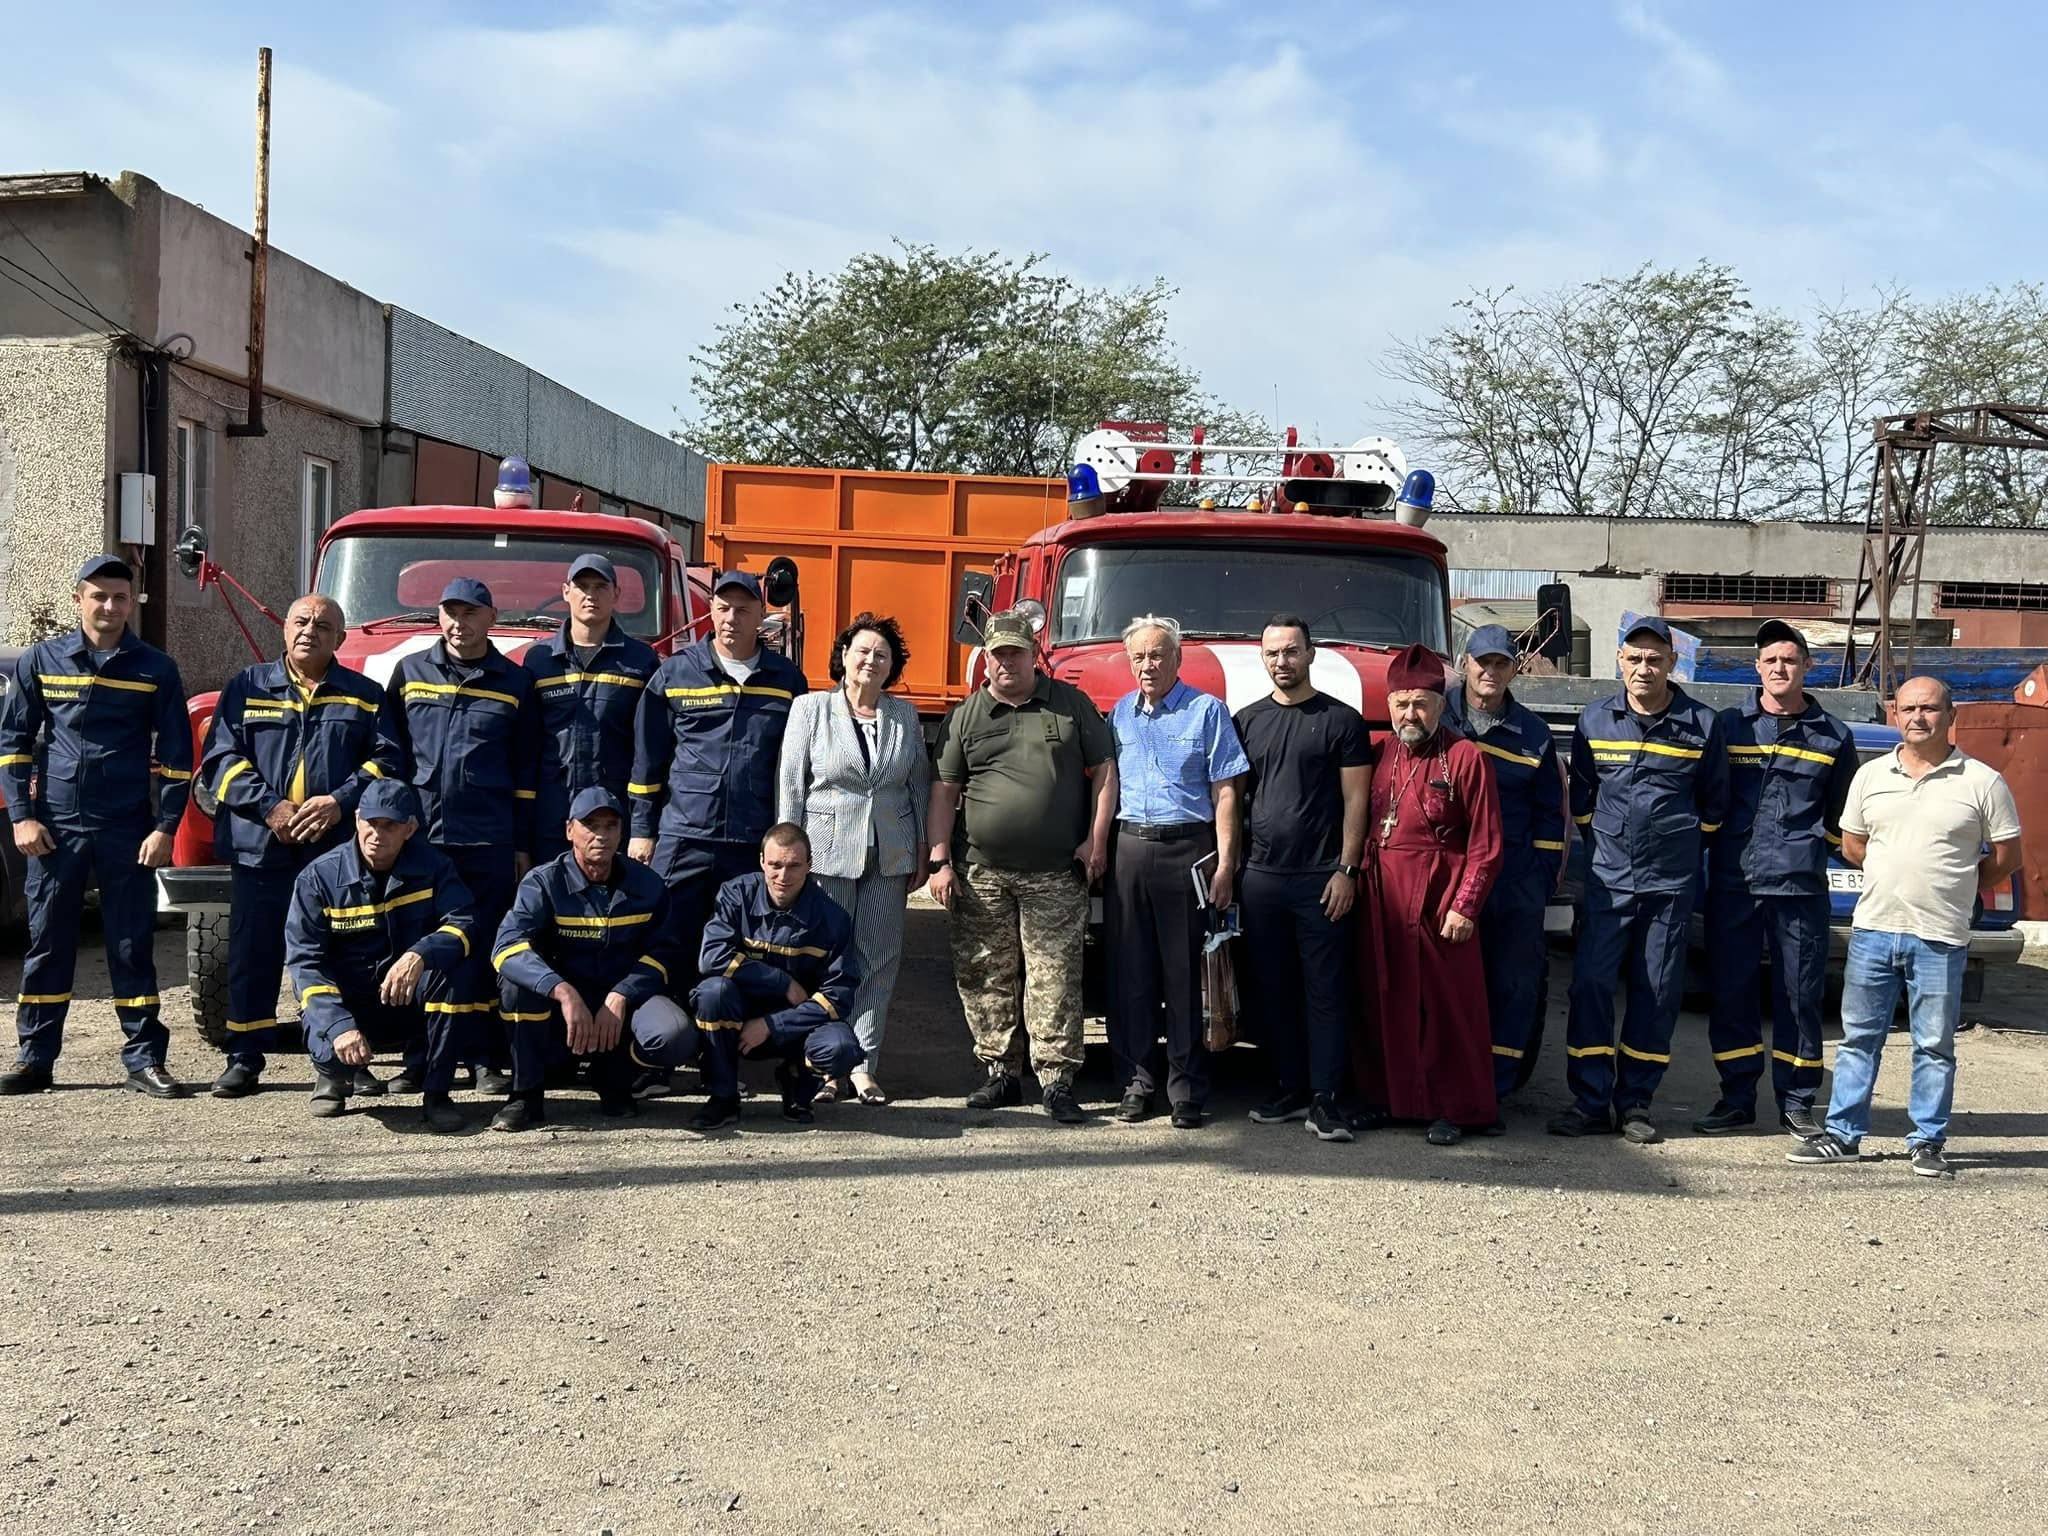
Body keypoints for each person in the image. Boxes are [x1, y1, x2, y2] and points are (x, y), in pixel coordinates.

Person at [1790, 676, 2022, 1178]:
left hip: (1940, 936)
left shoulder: (1982, 782)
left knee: (1934, 1046)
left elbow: (2006, 857)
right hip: (1873, 929)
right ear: (1896, 715)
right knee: (1858, 1039)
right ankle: (1843, 1135)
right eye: (1910, 708)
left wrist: (1957, 885)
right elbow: (1853, 845)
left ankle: (1927, 1142)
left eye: (1930, 708)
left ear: (1950, 716)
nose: (1919, 717)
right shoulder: (1871, 776)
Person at [0, 555, 193, 1098]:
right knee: (47, 944)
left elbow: (178, 758)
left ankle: (145, 1059)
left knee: (131, 944)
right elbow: (13, 744)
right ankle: (35, 1059)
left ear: (131, 603)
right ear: (78, 600)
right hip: (55, 830)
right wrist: (22, 817)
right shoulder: (42, 660)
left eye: (119, 597)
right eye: (99, 596)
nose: (109, 606)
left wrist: (166, 827)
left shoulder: (155, 669)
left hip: (127, 828)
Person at [200, 594, 394, 1099]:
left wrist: (339, 802)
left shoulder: (365, 695)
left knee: (343, 953)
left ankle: (345, 1059)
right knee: (254, 950)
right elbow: (221, 759)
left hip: (335, 849)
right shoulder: (247, 686)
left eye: (324, 625)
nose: (311, 630)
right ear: (285, 629)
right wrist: (271, 808)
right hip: (262, 844)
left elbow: (387, 762)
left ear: (340, 639)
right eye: (302, 621)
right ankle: (245, 1056)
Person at [927, 611, 1116, 1124]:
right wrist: (940, 860)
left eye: (1016, 652)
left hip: (1055, 872)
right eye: (998, 654)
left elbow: (1105, 772)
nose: (1007, 662)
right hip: (981, 871)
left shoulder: (1070, 704)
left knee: (1055, 977)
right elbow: (943, 792)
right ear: (986, 659)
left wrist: (1095, 842)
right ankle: (1001, 1073)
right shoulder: (966, 716)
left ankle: (1056, 1080)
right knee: (986, 972)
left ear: (1035, 656)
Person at [629, 569, 808, 1095]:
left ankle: (723, 1064)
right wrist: (642, 830)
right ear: (711, 612)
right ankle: (660, 1056)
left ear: (761, 615)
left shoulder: (786, 680)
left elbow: (795, 766)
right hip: (684, 837)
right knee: (669, 944)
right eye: (723, 608)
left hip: (751, 841)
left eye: (744, 609)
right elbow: (647, 761)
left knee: (739, 954)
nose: (732, 618)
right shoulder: (675, 673)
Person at [1553, 617, 1729, 1145]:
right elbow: (1582, 798)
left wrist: (1676, 848)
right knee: (1590, 985)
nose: (1644, 668)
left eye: (1655, 659)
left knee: (1656, 992)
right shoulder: (1595, 719)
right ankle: (1590, 1102)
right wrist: (1610, 843)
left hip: (1669, 886)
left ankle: (1635, 1103)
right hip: (1608, 881)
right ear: (1619, 661)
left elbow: (1714, 807)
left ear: (1672, 663)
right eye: (1634, 658)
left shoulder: (1702, 725)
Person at [376, 576, 542, 1096]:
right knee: (422, 946)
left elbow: (526, 772)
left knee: (485, 948)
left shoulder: (515, 683)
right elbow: (391, 756)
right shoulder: (410, 672)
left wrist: (520, 844)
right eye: (450, 612)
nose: (458, 623)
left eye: (470, 613)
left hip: (487, 840)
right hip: (423, 838)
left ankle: (485, 1058)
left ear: (491, 619)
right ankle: (421, 1058)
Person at [1697, 621, 1860, 1139]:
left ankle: (1797, 1101)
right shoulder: (1729, 726)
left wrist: (1810, 851)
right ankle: (1736, 1098)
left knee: (1799, 996)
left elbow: (1842, 816)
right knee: (1732, 992)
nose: (1779, 668)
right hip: (1736, 883)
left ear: (1808, 666)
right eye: (1770, 660)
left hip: (1799, 889)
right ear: (1757, 667)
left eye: (1789, 660)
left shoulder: (1833, 736)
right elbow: (1710, 798)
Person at [776, 613, 930, 1105]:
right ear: (844, 656)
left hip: (889, 854)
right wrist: (787, 852)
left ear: (892, 666)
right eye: (862, 651)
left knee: (879, 960)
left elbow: (918, 786)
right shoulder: (810, 708)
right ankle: (826, 1064)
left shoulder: (904, 716)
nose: (871, 660)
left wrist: (922, 847)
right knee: (826, 959)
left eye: (881, 655)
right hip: (824, 853)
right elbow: (791, 782)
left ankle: (863, 1066)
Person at [1355, 642, 1504, 1145]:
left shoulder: (1465, 758)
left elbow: (1486, 845)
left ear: (1440, 705)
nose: (1409, 714)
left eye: (1420, 704)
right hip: (1383, 896)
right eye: (1401, 704)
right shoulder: (1379, 753)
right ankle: (1388, 1100)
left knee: (1446, 1007)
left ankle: (1454, 1107)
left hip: (1440, 898)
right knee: (1385, 999)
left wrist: (1465, 906)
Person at [1106, 614, 1249, 1129]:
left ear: (1177, 658)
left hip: (1187, 850)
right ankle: (1137, 1083)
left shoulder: (1207, 712)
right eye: (1139, 657)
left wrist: (1226, 864)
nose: (1147, 664)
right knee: (1131, 971)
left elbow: (1226, 792)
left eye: (1157, 654)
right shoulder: (1119, 715)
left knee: (1186, 974)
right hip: (1129, 849)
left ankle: (1186, 1089)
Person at [1234, 615, 1372, 1143]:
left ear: (1311, 655)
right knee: (1273, 989)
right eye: (1272, 653)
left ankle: (1325, 1098)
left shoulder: (1341, 721)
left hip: (1322, 879)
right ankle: (1290, 1088)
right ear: (1262, 658)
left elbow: (1357, 801)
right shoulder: (1247, 721)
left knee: (1325, 991)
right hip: (1262, 879)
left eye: (1291, 651)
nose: (1282, 661)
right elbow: (1233, 801)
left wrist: (1347, 869)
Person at [283, 780, 482, 1131]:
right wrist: (339, 1026)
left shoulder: (434, 867)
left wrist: (421, 953)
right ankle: (333, 1075)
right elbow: (305, 962)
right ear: (356, 819)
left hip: (404, 999)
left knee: (456, 975)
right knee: (330, 1045)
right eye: (370, 823)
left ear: (410, 829)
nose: (377, 834)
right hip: (348, 1005)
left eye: (389, 825)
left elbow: (464, 924)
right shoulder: (318, 879)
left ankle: (437, 1094)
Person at [489, 788, 682, 1132]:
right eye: (591, 825)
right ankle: (525, 1094)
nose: (601, 835)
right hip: (562, 1014)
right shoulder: (543, 882)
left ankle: (616, 1078)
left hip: (618, 1008)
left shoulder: (648, 885)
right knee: (515, 988)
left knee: (674, 1034)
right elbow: (506, 948)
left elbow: (665, 953)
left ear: (621, 833)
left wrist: (623, 993)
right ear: (569, 830)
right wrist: (561, 991)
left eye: (610, 826)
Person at [1442, 624, 1568, 1099]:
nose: (1490, 672)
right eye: (1483, 662)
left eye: (1501, 663)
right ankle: (1444, 1083)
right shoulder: (1438, 716)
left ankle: (1495, 1090)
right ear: (1465, 664)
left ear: (1514, 669)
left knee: (1512, 984)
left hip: (1513, 880)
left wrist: (1537, 882)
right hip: (1447, 875)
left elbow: (1550, 815)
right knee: (1447, 981)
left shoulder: (1533, 734)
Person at [682, 824, 860, 1127]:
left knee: (840, 1048)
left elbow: (837, 997)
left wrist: (772, 1024)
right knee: (712, 994)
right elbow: (711, 957)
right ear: (762, 861)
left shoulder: (832, 918)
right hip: (738, 1016)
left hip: (796, 1024)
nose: (783, 876)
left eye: (794, 866)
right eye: (775, 865)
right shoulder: (736, 894)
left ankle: (798, 1087)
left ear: (809, 865)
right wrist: (781, 981)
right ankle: (723, 1098)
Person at [522, 553, 660, 864]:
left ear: (616, 594)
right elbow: (525, 749)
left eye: (600, 586)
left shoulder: (641, 661)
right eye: (582, 586)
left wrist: (642, 827)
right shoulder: (539, 660)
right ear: (565, 591)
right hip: (552, 814)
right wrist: (521, 836)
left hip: (612, 817)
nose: (590, 595)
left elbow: (649, 752)